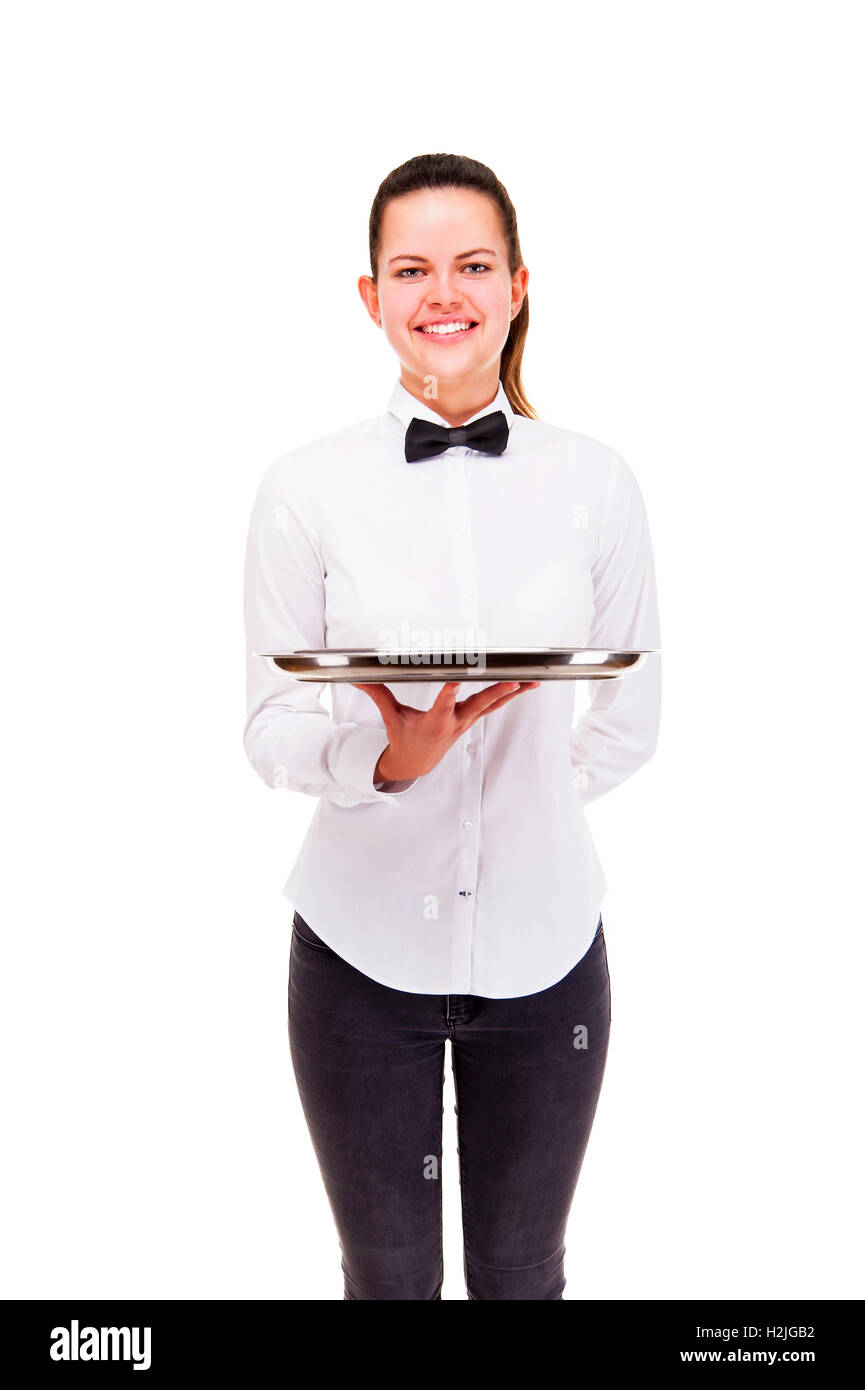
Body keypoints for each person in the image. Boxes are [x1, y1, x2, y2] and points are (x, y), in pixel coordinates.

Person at [242, 153, 661, 1300]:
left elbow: (634, 711)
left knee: (523, 1276)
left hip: (549, 957)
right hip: (354, 954)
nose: (444, 292)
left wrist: (538, 806)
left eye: (472, 264)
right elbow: (271, 723)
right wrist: (386, 759)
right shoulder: (304, 487)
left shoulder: (597, 482)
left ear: (518, 284)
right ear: (370, 296)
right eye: (412, 268)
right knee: (386, 1281)